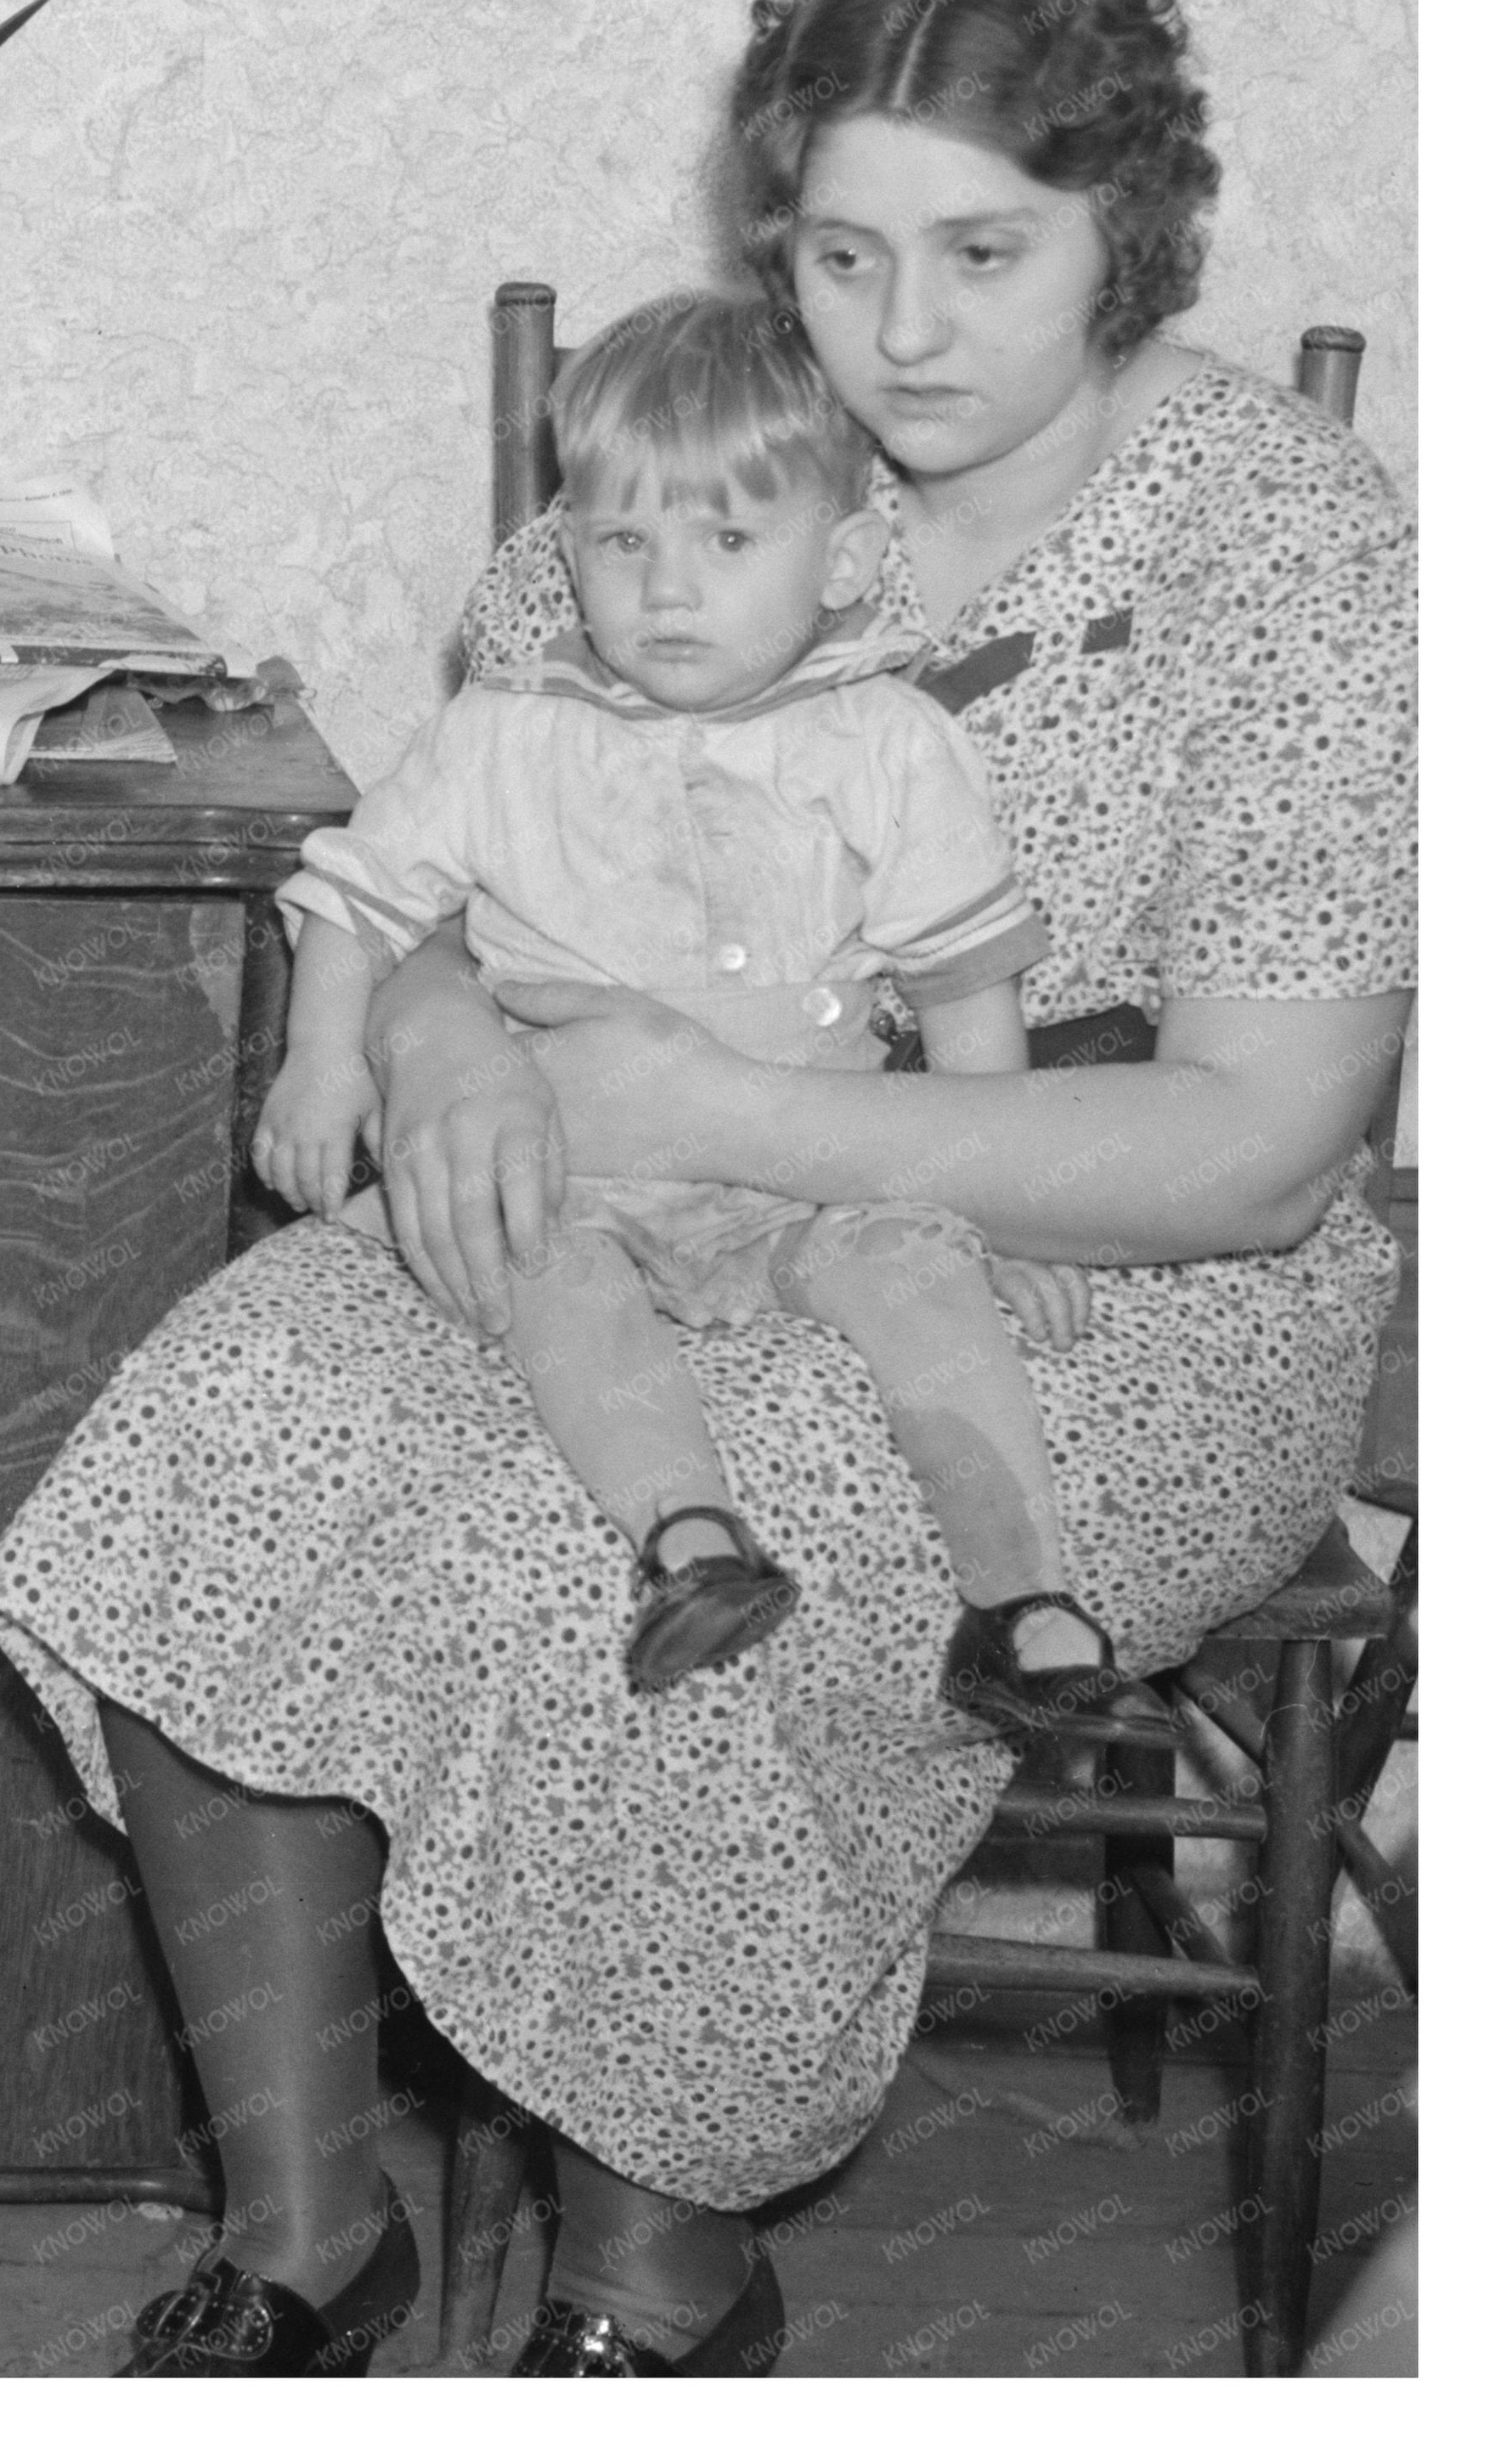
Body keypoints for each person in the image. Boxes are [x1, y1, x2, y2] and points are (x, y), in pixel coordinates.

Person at [0, 0, 1410, 2377]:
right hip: (619, 1195)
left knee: (627, 1564)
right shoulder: (704, 460)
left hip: (1112, 1277)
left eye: (986, 255)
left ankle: (664, 2281)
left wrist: (717, 1106)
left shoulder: (1293, 550)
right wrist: (433, 1045)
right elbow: (460, 861)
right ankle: (314, 2233)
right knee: (239, 1418)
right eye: (845, 257)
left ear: (1130, 235)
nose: (908, 334)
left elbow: (1266, 1151)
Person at [252, 290, 1140, 1740]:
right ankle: (693, 1546)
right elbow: (354, 899)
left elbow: (967, 991)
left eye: (728, 542)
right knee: (554, 1287)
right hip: (577, 1172)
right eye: (624, 543)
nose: (668, 591)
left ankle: (1022, 1603)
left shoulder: (890, 747)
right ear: (570, 549)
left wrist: (1010, 1222)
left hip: (809, 1178)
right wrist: (318, 1063)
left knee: (926, 1280)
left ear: (844, 559)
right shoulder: (504, 733)